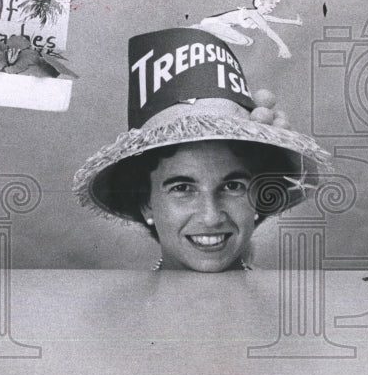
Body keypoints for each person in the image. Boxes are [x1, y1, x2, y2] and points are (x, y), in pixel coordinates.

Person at [72, 27, 331, 272]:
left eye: (233, 186)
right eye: (182, 188)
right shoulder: (118, 315)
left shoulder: (286, 312)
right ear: (146, 203)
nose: (211, 218)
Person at [191, 0, 302, 59]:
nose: (274, 6)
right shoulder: (253, 14)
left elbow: (278, 20)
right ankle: (199, 28)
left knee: (248, 42)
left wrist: (295, 22)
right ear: (261, 3)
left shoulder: (260, 17)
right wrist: (282, 45)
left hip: (222, 27)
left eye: (275, 4)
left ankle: (210, 35)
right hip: (212, 23)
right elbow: (267, 30)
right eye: (271, 3)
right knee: (246, 41)